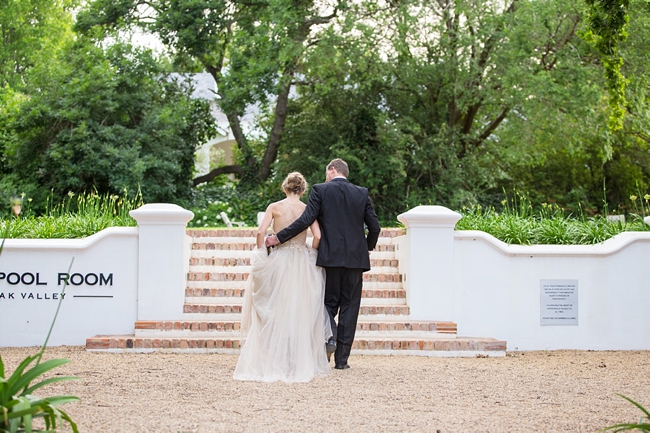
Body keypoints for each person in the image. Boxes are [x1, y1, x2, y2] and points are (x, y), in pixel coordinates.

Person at [266, 158, 381, 370]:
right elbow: (374, 226)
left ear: (332, 170)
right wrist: (366, 247)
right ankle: (342, 361)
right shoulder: (361, 193)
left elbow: (305, 220)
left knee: (326, 303)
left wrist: (278, 237)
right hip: (355, 260)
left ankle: (330, 338)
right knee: (350, 307)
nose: (325, 177)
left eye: (326, 173)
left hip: (330, 258)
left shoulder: (321, 190)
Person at [233, 172, 332, 383]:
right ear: (303, 190)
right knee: (299, 309)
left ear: (284, 188)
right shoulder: (307, 209)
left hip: (279, 258)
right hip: (301, 260)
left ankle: (273, 357)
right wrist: (310, 251)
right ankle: (295, 359)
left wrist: (262, 252)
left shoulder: (274, 207)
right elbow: (318, 236)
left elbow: (261, 232)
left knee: (275, 307)